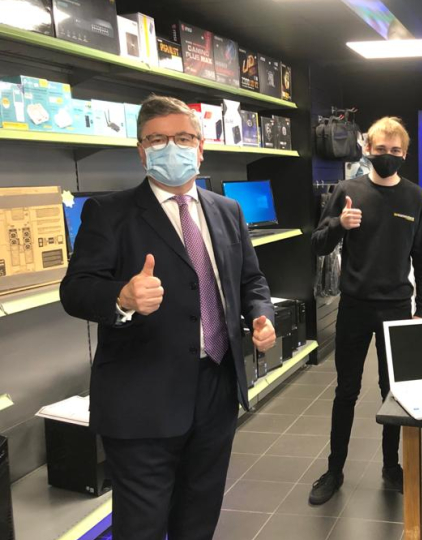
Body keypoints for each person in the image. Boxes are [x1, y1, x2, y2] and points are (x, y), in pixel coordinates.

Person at [60, 95, 277, 540]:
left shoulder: (226, 210)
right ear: (141, 151)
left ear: (201, 147)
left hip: (216, 388)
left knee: (199, 516)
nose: (170, 148)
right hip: (142, 399)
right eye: (157, 140)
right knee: (142, 524)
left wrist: (261, 315)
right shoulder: (109, 212)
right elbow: (75, 290)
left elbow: (250, 281)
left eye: (182, 138)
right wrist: (121, 296)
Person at [309, 116, 422, 505]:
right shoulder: (348, 191)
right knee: (346, 390)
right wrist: (338, 224)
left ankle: (390, 465)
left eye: (395, 151)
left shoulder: (416, 198)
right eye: (380, 150)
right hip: (354, 306)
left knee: (392, 392)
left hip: (398, 308)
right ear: (368, 149)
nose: (387, 156)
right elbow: (317, 245)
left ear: (405, 154)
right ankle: (335, 469)